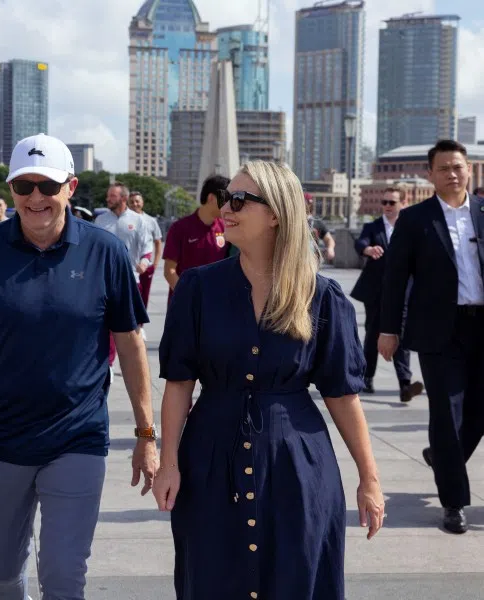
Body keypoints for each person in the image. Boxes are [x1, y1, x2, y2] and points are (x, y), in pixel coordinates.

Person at [153, 160, 384, 600]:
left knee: (296, 575)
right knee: (211, 576)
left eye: (240, 200)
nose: (226, 207)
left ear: (276, 213)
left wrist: (369, 478)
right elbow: (179, 383)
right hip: (209, 459)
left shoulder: (322, 296)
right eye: (226, 199)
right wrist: (168, 462)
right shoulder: (198, 290)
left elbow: (341, 395)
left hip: (297, 465)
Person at [0, 133, 157, 600]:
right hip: (1, 441)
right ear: (11, 189)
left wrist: (145, 435)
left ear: (71, 187)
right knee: (1, 573)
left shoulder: (106, 252)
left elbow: (132, 344)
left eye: (48, 185)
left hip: (77, 439)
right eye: (24, 186)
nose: (35, 197)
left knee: (63, 577)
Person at [380, 140, 484, 535]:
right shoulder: (415, 219)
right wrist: (389, 330)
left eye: (459, 166)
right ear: (431, 174)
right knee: (447, 413)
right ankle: (454, 502)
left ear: (469, 169)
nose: (453, 173)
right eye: (444, 168)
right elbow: (395, 279)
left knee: (478, 411)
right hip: (440, 332)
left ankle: (440, 458)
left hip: (482, 327)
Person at [350, 187, 424, 401]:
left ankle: (404, 384)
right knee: (373, 333)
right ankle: (367, 377)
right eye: (384, 202)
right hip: (376, 290)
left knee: (401, 334)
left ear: (403, 202)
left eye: (392, 202)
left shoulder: (410, 225)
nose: (387, 206)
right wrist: (368, 250)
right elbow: (360, 242)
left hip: (404, 292)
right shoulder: (372, 226)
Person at [95, 183, 152, 368]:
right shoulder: (100, 221)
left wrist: (144, 262)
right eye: (108, 195)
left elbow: (147, 247)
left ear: (123, 198)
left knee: (130, 327)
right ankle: (109, 365)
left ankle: (134, 363)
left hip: (130, 281)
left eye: (112, 196)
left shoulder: (138, 220)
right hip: (104, 281)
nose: (108, 199)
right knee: (106, 326)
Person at [162, 175, 230, 306]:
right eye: (225, 199)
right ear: (211, 198)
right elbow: (169, 271)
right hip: (184, 305)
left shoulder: (226, 228)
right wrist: (188, 296)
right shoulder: (179, 228)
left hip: (215, 304)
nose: (229, 205)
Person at [129, 191, 163, 309]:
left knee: (144, 296)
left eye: (137, 201)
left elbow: (158, 242)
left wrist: (155, 263)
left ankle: (140, 325)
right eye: (132, 202)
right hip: (130, 266)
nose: (135, 204)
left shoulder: (150, 220)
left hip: (146, 266)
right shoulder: (125, 220)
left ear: (142, 203)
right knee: (130, 297)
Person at [306, 193, 336, 262]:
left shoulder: (317, 222)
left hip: (312, 261)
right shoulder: (294, 222)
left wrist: (330, 249)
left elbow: (329, 239)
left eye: (308, 203)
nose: (306, 206)